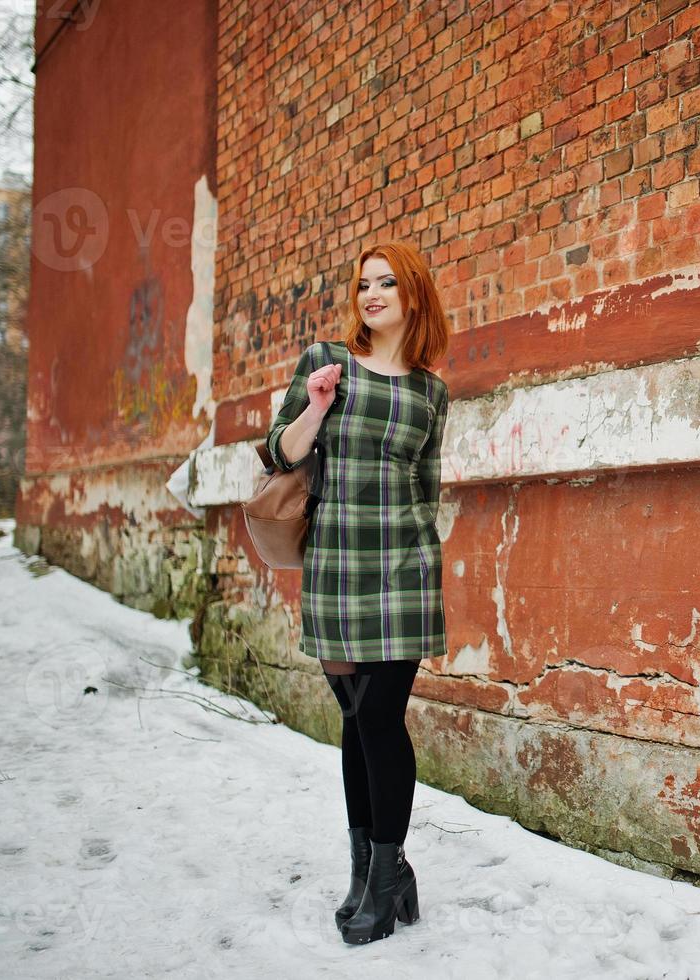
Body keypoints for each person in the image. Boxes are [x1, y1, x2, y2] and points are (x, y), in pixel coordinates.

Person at [264, 240, 451, 945]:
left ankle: (382, 878)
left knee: (379, 719)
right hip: (337, 564)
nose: (371, 294)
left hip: (402, 568)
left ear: (412, 295)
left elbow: (426, 490)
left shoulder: (431, 391)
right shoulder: (324, 363)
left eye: (385, 283)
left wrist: (419, 558)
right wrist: (314, 409)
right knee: (352, 719)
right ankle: (373, 871)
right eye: (363, 284)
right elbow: (276, 450)